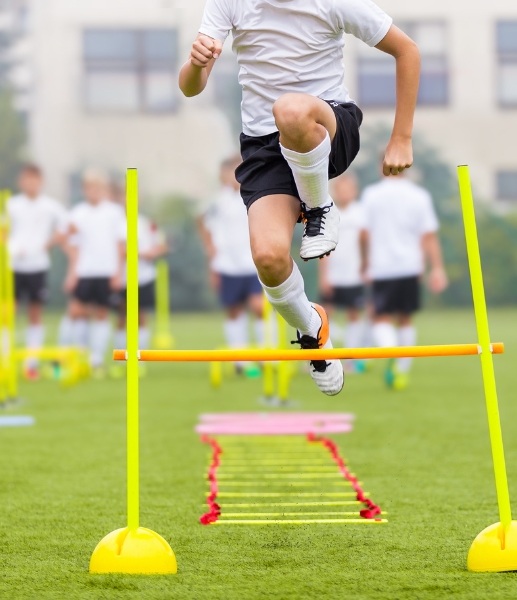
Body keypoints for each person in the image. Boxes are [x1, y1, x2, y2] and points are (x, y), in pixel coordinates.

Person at [179, 0, 421, 395]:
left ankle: (320, 206)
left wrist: (401, 137)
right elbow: (190, 88)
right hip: (264, 149)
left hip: (326, 126)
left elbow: (406, 50)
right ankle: (313, 331)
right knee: (269, 259)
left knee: (290, 110)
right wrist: (195, 64)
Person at [361, 169, 449, 390]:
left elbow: (364, 234)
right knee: (406, 318)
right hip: (410, 265)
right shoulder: (419, 195)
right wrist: (437, 268)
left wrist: (364, 262)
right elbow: (428, 235)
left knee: (380, 317)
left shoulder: (371, 194)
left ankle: (390, 350)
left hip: (381, 266)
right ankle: (402, 369)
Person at [197, 156, 264, 371]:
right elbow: (204, 224)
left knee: (258, 307)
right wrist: (212, 259)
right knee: (234, 310)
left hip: (252, 263)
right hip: (227, 264)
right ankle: (240, 360)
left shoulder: (254, 195)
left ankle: (266, 355)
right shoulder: (218, 201)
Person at [6, 163, 68, 380]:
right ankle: (5, 360)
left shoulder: (51, 206)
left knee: (35, 313)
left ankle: (31, 363)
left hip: (38, 265)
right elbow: (1, 231)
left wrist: (50, 243)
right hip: (13, 265)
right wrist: (11, 248)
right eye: (26, 179)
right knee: (8, 313)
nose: (30, 184)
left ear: (41, 182)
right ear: (20, 181)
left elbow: (67, 227)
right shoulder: (11, 204)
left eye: (34, 179)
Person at [63, 169, 125, 377]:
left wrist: (118, 272)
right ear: (84, 190)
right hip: (84, 270)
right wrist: (72, 273)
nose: (94, 192)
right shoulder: (77, 213)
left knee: (102, 314)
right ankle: (74, 355)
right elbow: (71, 244)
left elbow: (121, 244)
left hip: (106, 270)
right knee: (76, 312)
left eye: (98, 188)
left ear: (104, 190)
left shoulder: (114, 212)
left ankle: (96, 359)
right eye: (90, 187)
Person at [110, 196, 168, 378]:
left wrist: (152, 252)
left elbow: (162, 245)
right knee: (122, 317)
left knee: (141, 316)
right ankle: (121, 361)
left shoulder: (147, 224)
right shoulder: (118, 225)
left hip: (144, 277)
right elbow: (121, 251)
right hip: (125, 278)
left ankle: (139, 360)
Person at [319, 173, 367, 373]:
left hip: (353, 275)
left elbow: (366, 242)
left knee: (353, 315)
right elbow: (321, 247)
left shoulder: (361, 214)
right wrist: (324, 276)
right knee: (324, 317)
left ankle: (351, 359)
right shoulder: (330, 213)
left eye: (347, 189)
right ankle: (321, 359)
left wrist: (366, 265)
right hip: (333, 275)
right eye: (340, 189)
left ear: (354, 191)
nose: (344, 193)